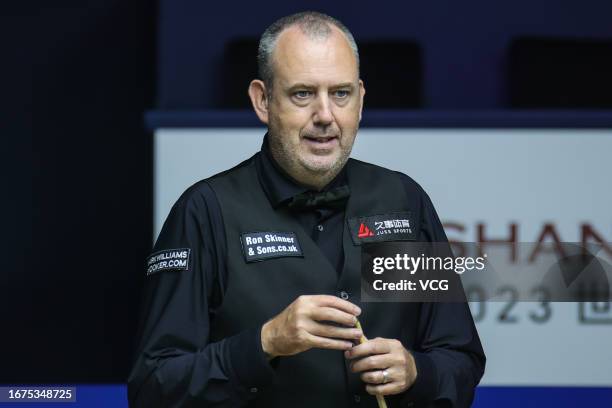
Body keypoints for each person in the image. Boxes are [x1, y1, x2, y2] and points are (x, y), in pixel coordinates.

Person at [128, 11, 485, 408]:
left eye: (341, 93)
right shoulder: (206, 211)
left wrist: (419, 372)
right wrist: (266, 342)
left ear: (361, 100)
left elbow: (461, 360)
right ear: (262, 100)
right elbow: (152, 387)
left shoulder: (404, 200)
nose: (325, 116)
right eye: (303, 93)